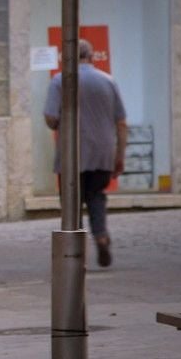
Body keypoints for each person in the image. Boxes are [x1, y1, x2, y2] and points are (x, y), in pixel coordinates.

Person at [44, 38, 127, 267]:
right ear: (91, 56)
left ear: (67, 57)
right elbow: (121, 122)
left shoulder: (60, 80)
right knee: (96, 195)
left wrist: (59, 122)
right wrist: (119, 155)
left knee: (71, 202)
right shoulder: (108, 81)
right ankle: (100, 236)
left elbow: (51, 118)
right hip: (103, 152)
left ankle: (75, 252)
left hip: (72, 153)